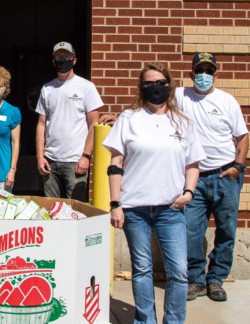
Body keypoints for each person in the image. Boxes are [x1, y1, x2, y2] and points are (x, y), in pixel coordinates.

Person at [103, 64, 203, 324]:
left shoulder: (182, 121)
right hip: (135, 208)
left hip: (171, 209)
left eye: (160, 82)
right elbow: (115, 163)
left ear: (168, 86)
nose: (155, 88)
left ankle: (174, 320)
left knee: (179, 271)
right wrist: (115, 203)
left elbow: (193, 164)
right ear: (141, 87)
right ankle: (145, 320)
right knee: (142, 269)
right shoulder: (128, 118)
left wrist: (189, 192)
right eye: (149, 83)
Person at [177, 52, 249, 303]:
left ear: (216, 75)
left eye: (208, 71)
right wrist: (120, 117)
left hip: (225, 175)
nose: (203, 76)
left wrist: (238, 167)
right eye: (199, 70)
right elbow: (150, 105)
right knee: (190, 232)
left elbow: (242, 136)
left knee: (226, 230)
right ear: (191, 74)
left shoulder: (227, 101)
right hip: (194, 179)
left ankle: (216, 279)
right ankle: (195, 280)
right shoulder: (180, 96)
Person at [36, 41, 104, 200]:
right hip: (50, 162)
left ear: (74, 60)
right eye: (58, 57)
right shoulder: (47, 88)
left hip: (75, 162)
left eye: (66, 56)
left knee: (76, 212)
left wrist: (86, 156)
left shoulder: (86, 87)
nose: (62, 60)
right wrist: (40, 156)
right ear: (53, 61)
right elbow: (41, 125)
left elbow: (94, 123)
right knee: (51, 210)